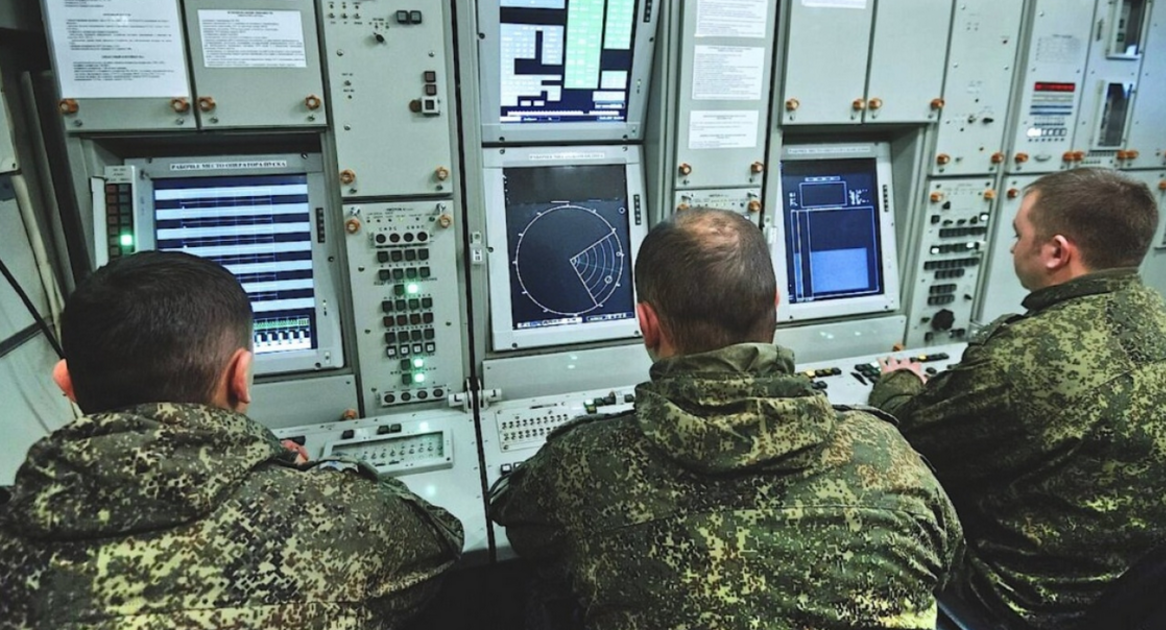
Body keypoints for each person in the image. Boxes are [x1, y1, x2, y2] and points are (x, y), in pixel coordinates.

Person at [491, 207, 963, 629]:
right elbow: (948, 558)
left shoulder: (585, 464)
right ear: (775, 304)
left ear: (647, 323)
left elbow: (519, 522)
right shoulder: (889, 457)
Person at [0, 251, 464, 629]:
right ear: (240, 376)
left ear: (66, 382)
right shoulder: (337, 523)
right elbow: (443, 539)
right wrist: (302, 478)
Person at [869, 167, 1166, 629]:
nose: (1011, 247)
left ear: (1056, 252)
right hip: (1152, 604)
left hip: (1018, 604)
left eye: (1019, 234)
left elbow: (905, 436)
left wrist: (898, 380)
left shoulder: (1022, 357)